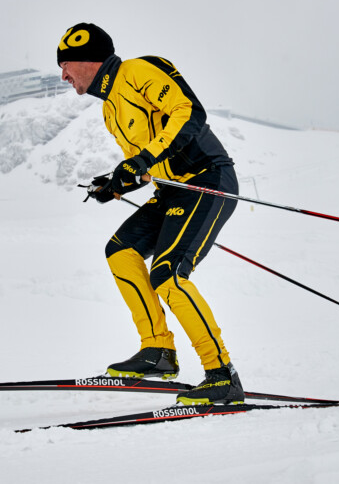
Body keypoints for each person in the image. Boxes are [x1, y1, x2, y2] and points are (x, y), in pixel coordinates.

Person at [58, 23, 244, 405]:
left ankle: (222, 375)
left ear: (88, 60)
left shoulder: (138, 71)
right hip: (171, 189)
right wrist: (116, 184)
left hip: (206, 178)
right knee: (120, 251)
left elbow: (189, 114)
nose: (63, 76)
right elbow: (144, 166)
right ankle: (158, 350)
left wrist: (141, 160)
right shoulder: (110, 109)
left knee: (168, 275)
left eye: (65, 65)